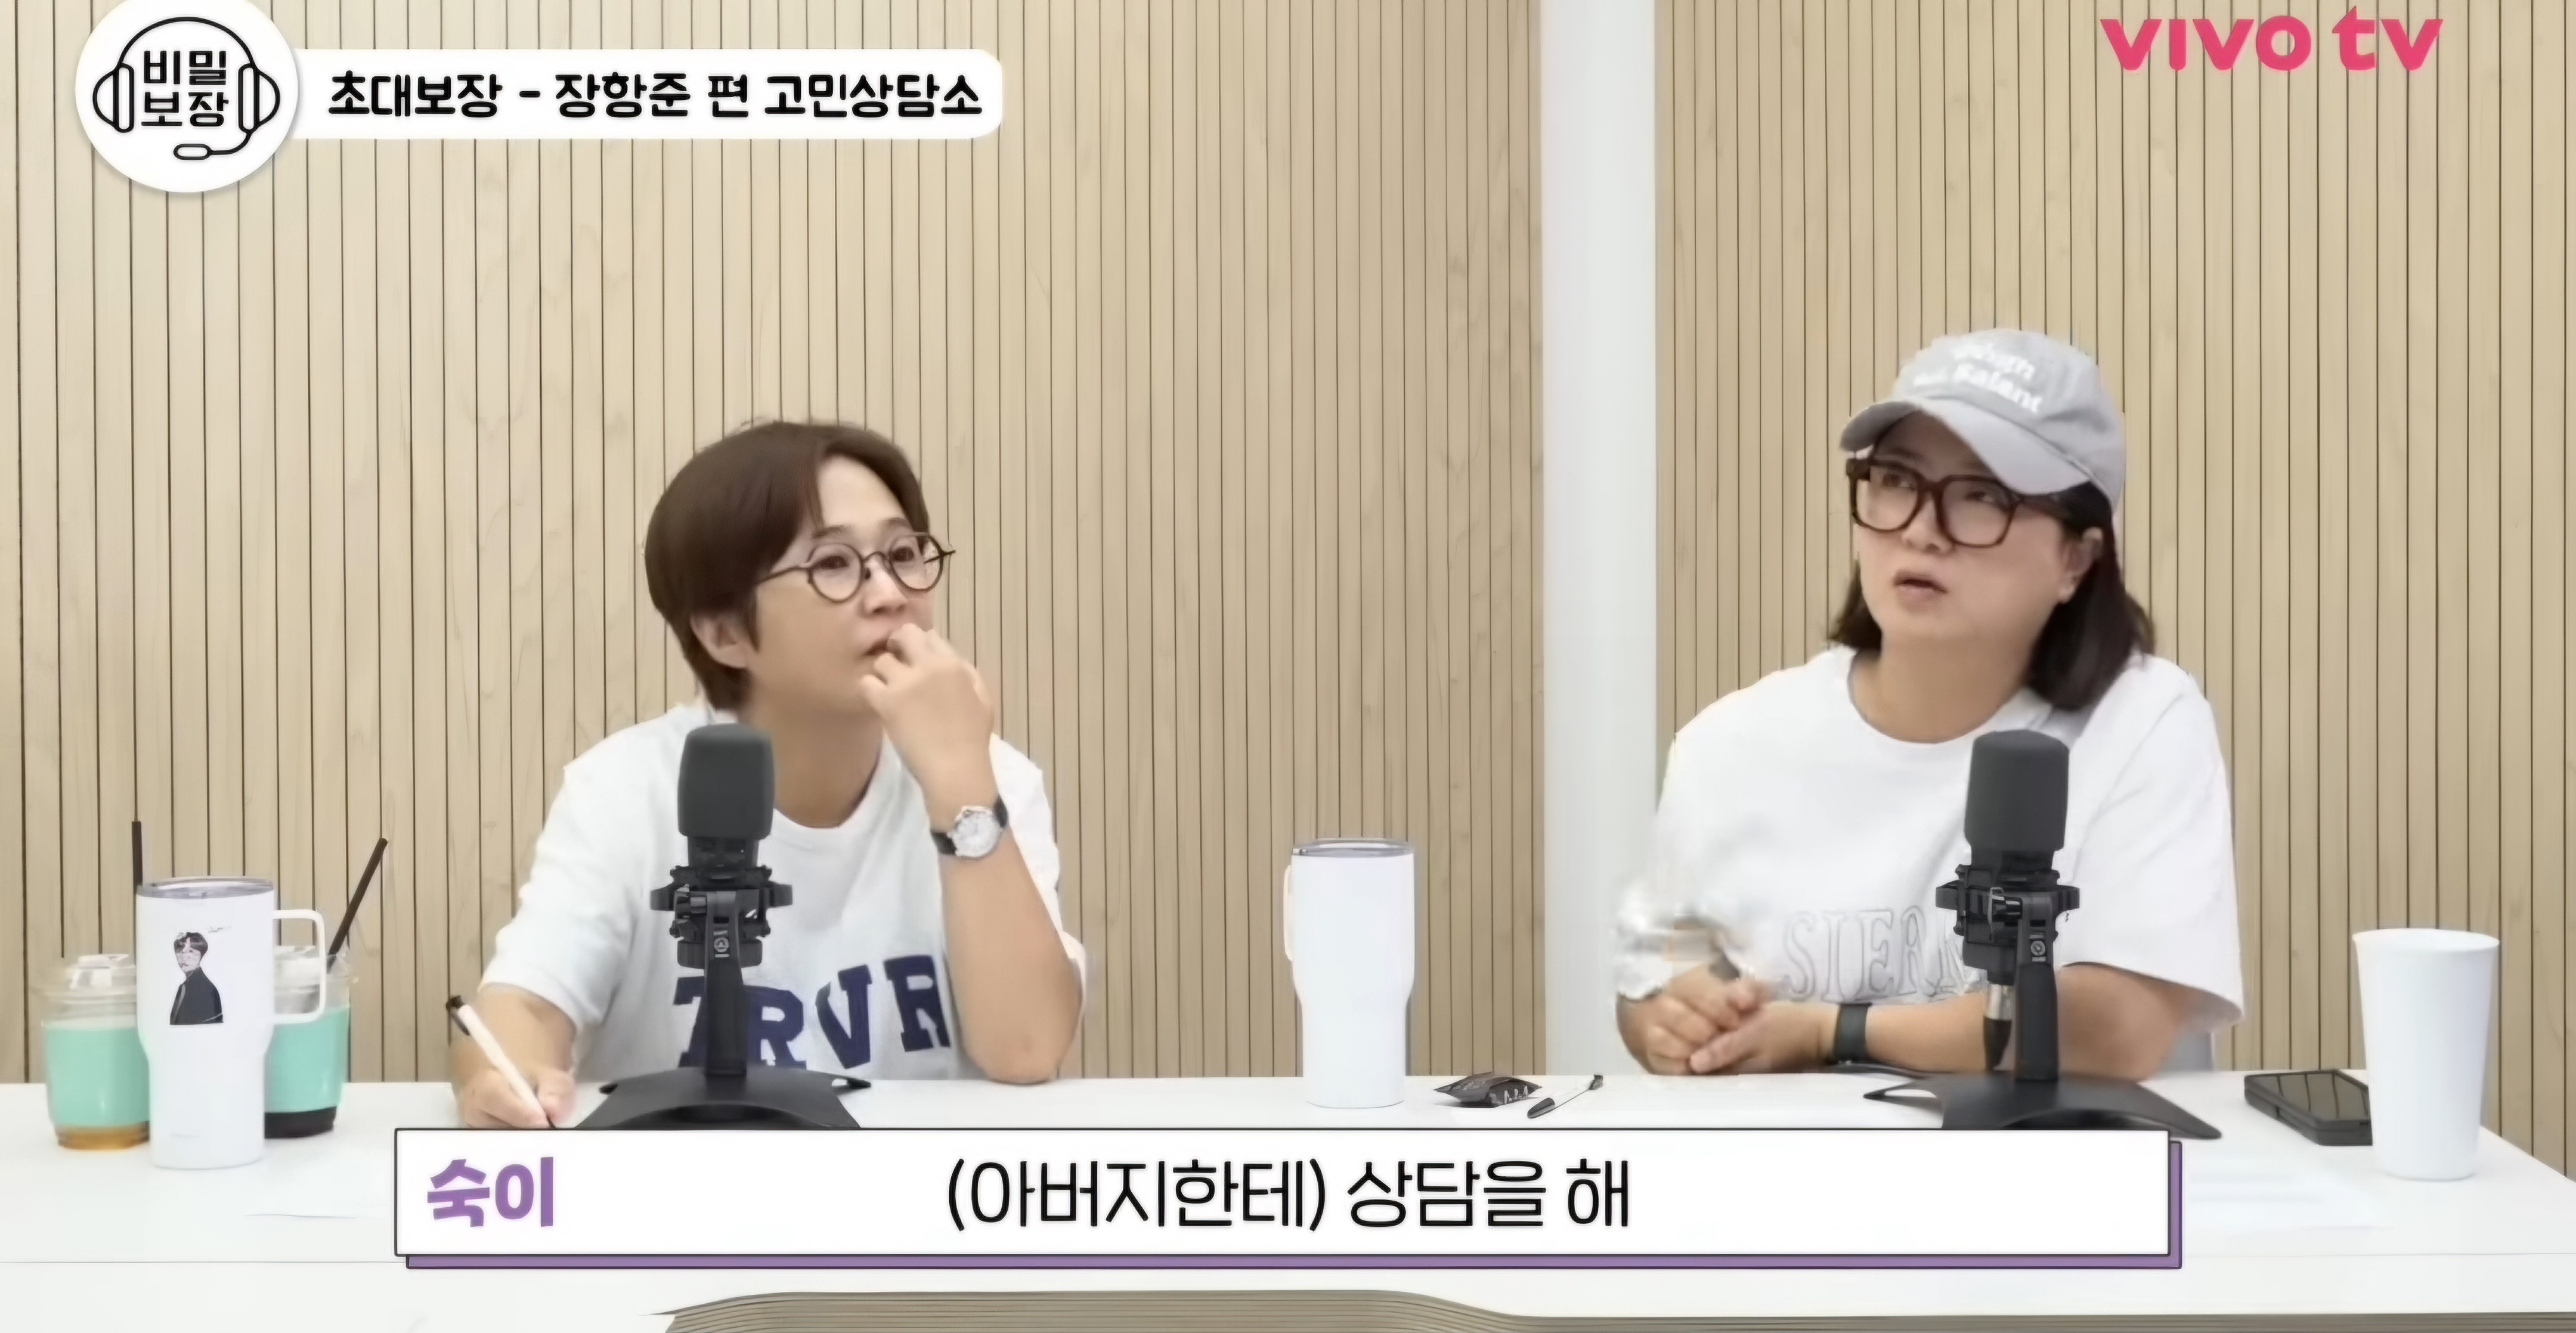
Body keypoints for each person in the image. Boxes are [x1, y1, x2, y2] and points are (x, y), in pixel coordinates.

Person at [1614, 330, 2243, 1082]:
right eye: (1896, 481)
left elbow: (2116, 1028)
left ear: (2076, 559)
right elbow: (1657, 973)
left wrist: (1828, 1031)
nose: (1920, 530)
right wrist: (1673, 1019)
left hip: (2072, 1160)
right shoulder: (1728, 744)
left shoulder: (2141, 721)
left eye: (1982, 497)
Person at [452, 421, 1086, 1128]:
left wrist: (961, 783)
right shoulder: (628, 788)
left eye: (904, 554)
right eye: (834, 564)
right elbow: (525, 1007)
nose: (890, 593)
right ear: (725, 631)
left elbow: (1027, 1047)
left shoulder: (986, 777)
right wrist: (506, 1076)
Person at [169, 932, 224, 1025]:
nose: (184, 957)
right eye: (181, 951)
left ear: (201, 955)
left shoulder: (207, 990)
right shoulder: (183, 987)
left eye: (191, 951)